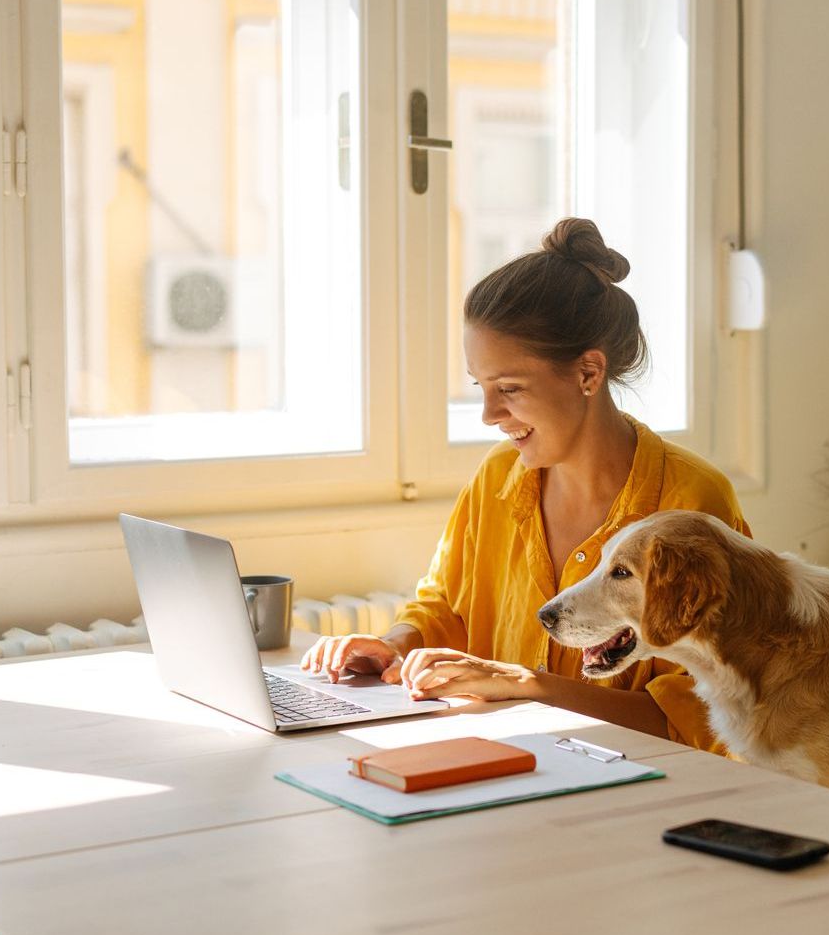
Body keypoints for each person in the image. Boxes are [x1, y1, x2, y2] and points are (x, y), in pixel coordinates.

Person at [301, 218, 747, 749]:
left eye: (509, 387)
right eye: (481, 387)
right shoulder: (497, 477)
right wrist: (393, 644)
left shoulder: (692, 502)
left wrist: (531, 688)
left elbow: (701, 721)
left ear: (588, 373)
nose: (489, 413)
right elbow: (446, 606)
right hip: (503, 767)